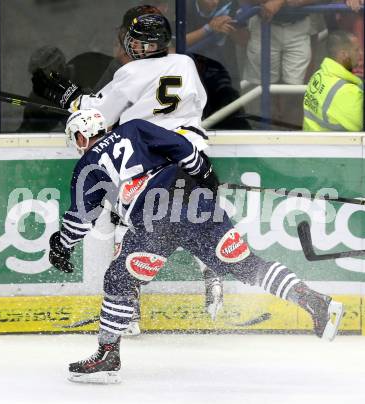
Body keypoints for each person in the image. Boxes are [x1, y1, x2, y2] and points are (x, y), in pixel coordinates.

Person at [50, 109, 344, 384]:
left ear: (81, 135)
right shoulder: (134, 128)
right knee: (246, 266)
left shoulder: (88, 164)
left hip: (155, 218)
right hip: (195, 200)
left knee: (118, 279)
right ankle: (315, 301)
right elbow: (184, 149)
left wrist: (61, 245)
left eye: (75, 139)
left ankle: (107, 356)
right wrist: (205, 175)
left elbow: (80, 219)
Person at [32, 13, 225, 334]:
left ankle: (129, 310)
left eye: (139, 42)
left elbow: (99, 115)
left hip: (148, 158)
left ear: (152, 46)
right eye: (131, 40)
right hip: (190, 153)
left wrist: (71, 97)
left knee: (129, 226)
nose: (132, 46)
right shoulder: (185, 64)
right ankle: (213, 271)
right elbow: (195, 102)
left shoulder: (130, 72)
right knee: (196, 218)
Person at [303, 30, 365, 132]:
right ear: (344, 55)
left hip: (312, 142)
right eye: (356, 50)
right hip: (337, 146)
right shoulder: (348, 92)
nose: (361, 54)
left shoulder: (319, 75)